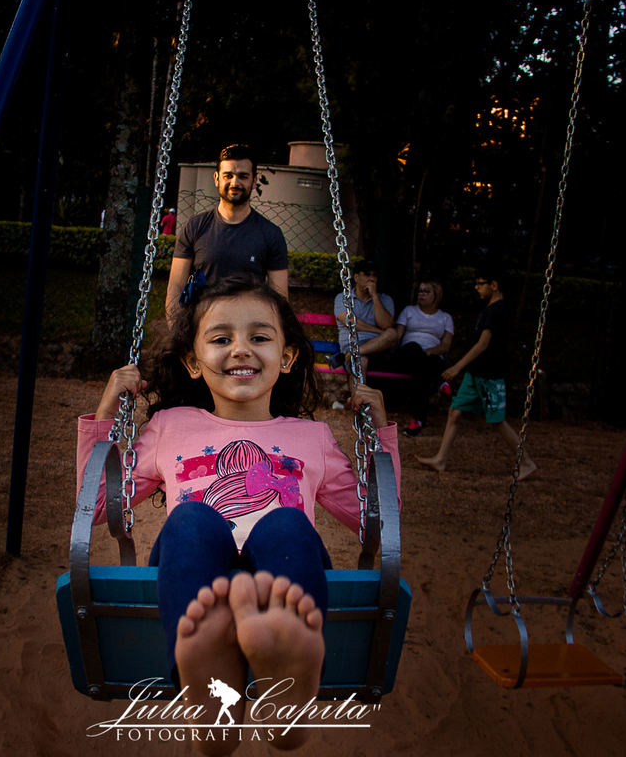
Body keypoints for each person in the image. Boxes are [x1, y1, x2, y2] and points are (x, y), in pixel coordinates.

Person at [77, 275, 400, 754]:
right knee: (191, 519)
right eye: (221, 338)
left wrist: (380, 433)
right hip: (196, 569)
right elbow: (100, 505)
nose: (241, 349)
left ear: (287, 357)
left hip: (283, 574)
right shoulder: (169, 426)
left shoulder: (311, 437)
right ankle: (211, 686)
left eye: (259, 337)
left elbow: (378, 521)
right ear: (192, 361)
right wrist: (107, 411)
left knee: (287, 524)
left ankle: (286, 684)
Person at [416, 266, 536, 479]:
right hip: (475, 374)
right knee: (455, 411)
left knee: (496, 421)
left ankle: (526, 462)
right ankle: (440, 459)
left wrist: (457, 367)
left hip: (488, 375)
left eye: (480, 283)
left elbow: (483, 344)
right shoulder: (492, 308)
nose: (476, 287)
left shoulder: (496, 310)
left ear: (494, 285)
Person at [166, 144, 290, 318]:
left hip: (249, 327)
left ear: (254, 180)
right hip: (204, 326)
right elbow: (175, 288)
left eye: (243, 176)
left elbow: (280, 300)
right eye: (228, 176)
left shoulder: (271, 234)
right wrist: (178, 331)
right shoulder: (194, 228)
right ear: (217, 178)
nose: (235, 183)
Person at [393, 279, 455, 437]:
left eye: (426, 291)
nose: (421, 294)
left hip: (430, 358)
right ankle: (444, 384)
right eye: (420, 291)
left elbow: (445, 346)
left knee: (424, 367)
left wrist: (430, 351)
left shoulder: (445, 318)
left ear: (436, 294)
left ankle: (418, 422)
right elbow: (397, 336)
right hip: (408, 355)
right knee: (415, 348)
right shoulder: (409, 311)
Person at [332, 260, 399, 395]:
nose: (372, 279)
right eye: (367, 275)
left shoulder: (385, 299)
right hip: (354, 344)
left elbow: (387, 325)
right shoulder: (343, 297)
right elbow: (350, 321)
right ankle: (359, 405)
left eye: (374, 275)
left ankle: (353, 353)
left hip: (379, 350)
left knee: (392, 333)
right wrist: (378, 331)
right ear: (356, 277)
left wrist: (374, 296)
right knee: (360, 360)